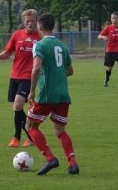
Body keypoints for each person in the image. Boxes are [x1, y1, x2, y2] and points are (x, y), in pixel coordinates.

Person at [26, 13, 79, 176]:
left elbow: (36, 68)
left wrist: (32, 91)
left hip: (47, 94)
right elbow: (70, 71)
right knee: (59, 130)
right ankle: (73, 164)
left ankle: (50, 158)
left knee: (30, 125)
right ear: (53, 26)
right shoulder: (62, 46)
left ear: (40, 27)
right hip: (63, 94)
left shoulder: (39, 45)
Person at [0, 9, 41, 148]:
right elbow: (8, 52)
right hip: (14, 76)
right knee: (16, 110)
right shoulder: (17, 35)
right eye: (27, 21)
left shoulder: (40, 37)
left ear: (36, 21)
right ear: (23, 22)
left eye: (32, 20)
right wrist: (0, 56)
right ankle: (31, 135)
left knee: (18, 105)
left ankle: (17, 136)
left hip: (28, 77)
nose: (30, 23)